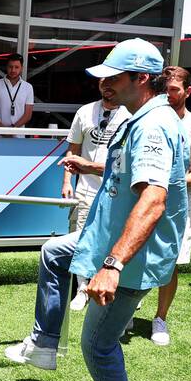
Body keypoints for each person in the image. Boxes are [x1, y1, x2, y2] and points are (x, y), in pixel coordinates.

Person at [4, 38, 188, 381]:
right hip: (104, 240)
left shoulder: (152, 125)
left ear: (141, 79)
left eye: (114, 75)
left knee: (99, 347)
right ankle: (45, 343)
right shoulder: (139, 117)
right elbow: (127, 175)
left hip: (128, 257)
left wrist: (112, 264)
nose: (105, 81)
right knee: (54, 252)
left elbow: (154, 199)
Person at [149, 66, 191, 346]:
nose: (168, 95)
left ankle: (160, 318)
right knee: (133, 256)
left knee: (169, 264)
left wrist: (171, 182)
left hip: (177, 208)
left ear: (188, 91)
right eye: (164, 89)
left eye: (174, 90)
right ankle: (125, 312)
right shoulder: (146, 121)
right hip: (141, 201)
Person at [61, 74, 129, 310]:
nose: (107, 87)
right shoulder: (85, 111)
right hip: (85, 189)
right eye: (103, 82)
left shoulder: (130, 115)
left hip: (116, 191)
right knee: (81, 239)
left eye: (112, 83)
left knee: (114, 241)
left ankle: (114, 289)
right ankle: (82, 289)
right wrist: (67, 182)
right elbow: (73, 150)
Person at [0, 53, 34, 129]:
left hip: (18, 135)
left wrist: (13, 129)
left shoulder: (28, 87)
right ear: (6, 67)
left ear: (22, 68)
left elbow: (28, 115)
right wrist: (2, 129)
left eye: (16, 67)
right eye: (10, 67)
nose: (13, 70)